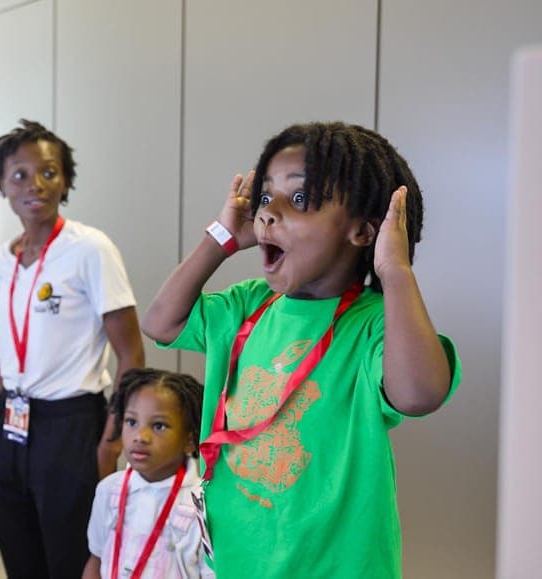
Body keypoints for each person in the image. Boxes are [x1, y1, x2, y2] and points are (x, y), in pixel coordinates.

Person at [141, 122, 462, 577]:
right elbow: (161, 323)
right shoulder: (249, 305)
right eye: (265, 197)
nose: (269, 213)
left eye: (298, 200)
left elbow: (419, 394)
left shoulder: (374, 324)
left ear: (362, 232)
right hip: (237, 561)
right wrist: (221, 237)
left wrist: (395, 271)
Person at [0, 119, 146, 578]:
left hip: (69, 425)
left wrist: (110, 445)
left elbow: (131, 353)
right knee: (22, 563)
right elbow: (7, 348)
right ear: (2, 184)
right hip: (9, 424)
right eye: (20, 174)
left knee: (70, 563)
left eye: (49, 172)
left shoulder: (90, 249)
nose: (36, 184)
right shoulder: (2, 258)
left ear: (65, 180)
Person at [83, 368, 213, 579]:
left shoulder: (203, 504)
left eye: (159, 426)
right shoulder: (108, 490)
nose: (140, 436)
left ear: (190, 439)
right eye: (132, 422)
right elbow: (96, 559)